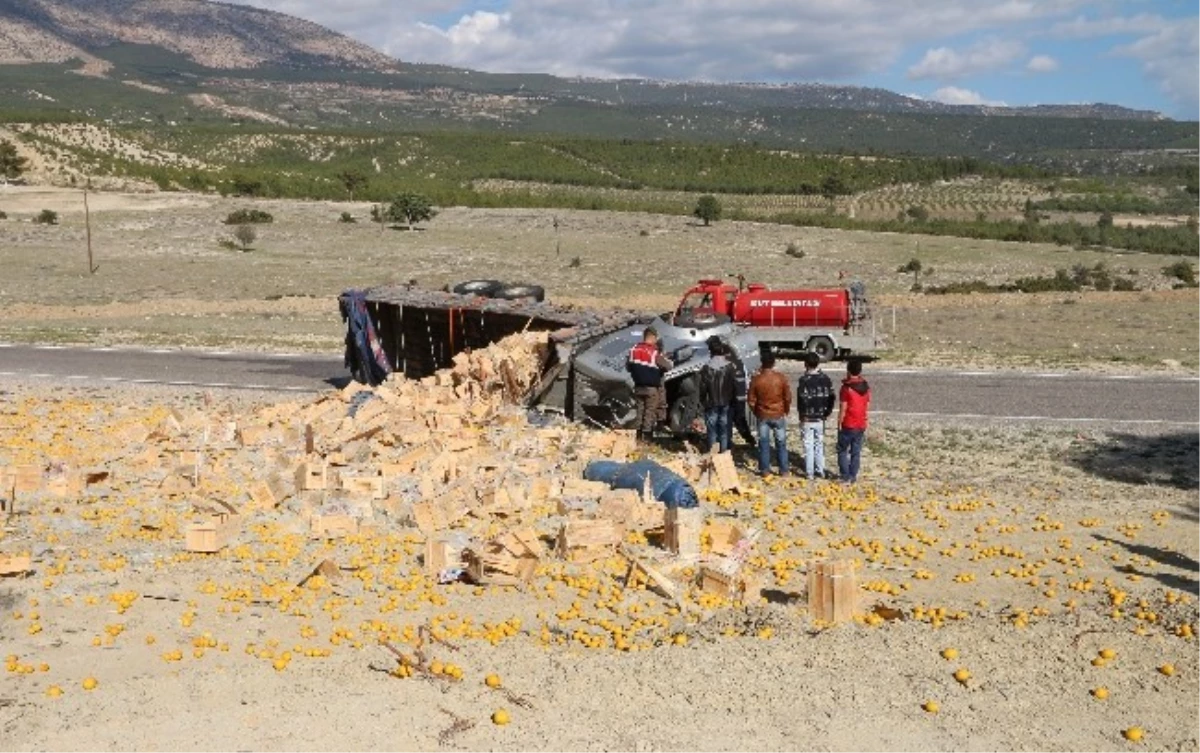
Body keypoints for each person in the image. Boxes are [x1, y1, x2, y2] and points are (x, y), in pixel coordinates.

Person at [748, 350, 792, 476]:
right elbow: (787, 397)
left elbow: (751, 400)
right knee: (781, 443)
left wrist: (756, 412)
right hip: (778, 413)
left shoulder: (756, 379)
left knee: (763, 444)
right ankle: (784, 470)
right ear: (773, 363)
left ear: (762, 363)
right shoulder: (780, 378)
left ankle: (765, 470)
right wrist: (786, 410)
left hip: (763, 415)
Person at [626, 327, 673, 442]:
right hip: (651, 388)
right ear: (652, 337)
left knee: (640, 411)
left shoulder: (634, 350)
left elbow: (628, 367)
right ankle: (646, 438)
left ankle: (637, 436)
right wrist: (667, 359)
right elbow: (668, 366)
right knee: (649, 412)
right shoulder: (654, 353)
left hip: (638, 386)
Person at [796, 352, 836, 480]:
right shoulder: (826, 379)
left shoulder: (803, 380)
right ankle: (820, 470)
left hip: (807, 417)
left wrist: (801, 414)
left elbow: (801, 400)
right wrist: (827, 412)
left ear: (805, 364)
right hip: (820, 416)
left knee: (808, 445)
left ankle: (809, 472)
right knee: (819, 443)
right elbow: (832, 397)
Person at [714, 337, 756, 449]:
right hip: (740, 396)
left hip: (729, 397)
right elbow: (746, 380)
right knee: (739, 419)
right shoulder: (740, 363)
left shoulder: (723, 366)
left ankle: (727, 444)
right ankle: (749, 439)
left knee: (727, 420)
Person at [698, 339, 737, 453]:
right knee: (724, 430)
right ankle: (724, 454)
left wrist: (702, 402)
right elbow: (734, 386)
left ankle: (712, 455)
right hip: (726, 402)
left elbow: (702, 389)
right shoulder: (730, 367)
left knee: (712, 431)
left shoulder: (706, 368)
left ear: (710, 351)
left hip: (711, 403)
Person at [837, 359, 871, 484]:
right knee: (856, 452)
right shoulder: (866, 386)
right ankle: (853, 475)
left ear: (848, 370)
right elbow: (867, 405)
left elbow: (843, 408)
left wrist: (839, 423)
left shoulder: (846, 388)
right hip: (861, 423)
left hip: (848, 423)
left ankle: (845, 476)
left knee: (842, 450)